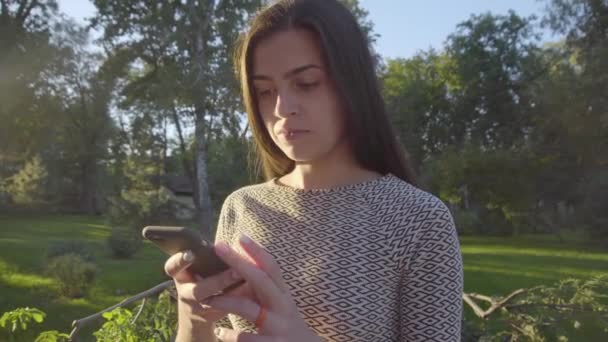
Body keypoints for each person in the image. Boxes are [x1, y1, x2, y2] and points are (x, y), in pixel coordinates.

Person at [164, 0, 463, 341]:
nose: (282, 108)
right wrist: (194, 322)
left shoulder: (418, 220)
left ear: (352, 85)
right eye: (265, 91)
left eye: (306, 83)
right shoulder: (242, 208)